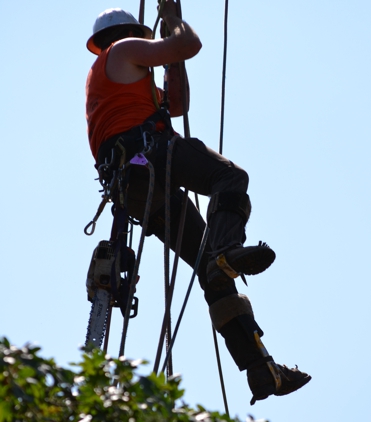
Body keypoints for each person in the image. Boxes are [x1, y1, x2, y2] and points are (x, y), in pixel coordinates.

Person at [85, 0, 310, 405]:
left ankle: (261, 369)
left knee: (213, 274)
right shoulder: (121, 52)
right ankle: (226, 249)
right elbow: (189, 43)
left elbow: (177, 104)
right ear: (127, 36)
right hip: (148, 155)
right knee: (230, 177)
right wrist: (172, 19)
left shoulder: (120, 79)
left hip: (135, 186)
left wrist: (172, 62)